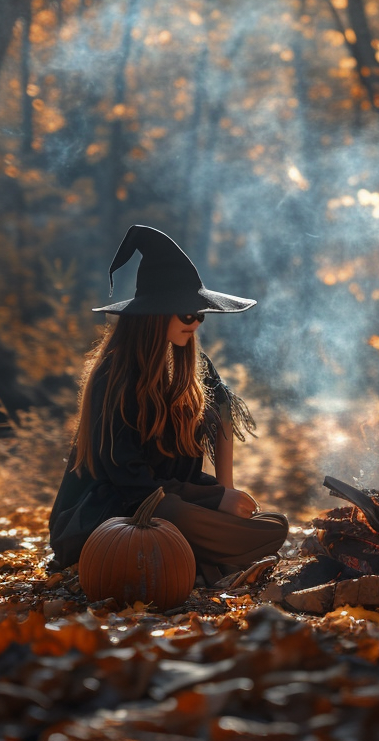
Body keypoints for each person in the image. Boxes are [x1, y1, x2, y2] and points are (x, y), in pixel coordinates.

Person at [47, 225, 288, 583]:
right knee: (172, 511)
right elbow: (130, 482)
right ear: (156, 314)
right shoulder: (113, 377)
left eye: (201, 314)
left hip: (171, 497)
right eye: (188, 313)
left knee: (275, 525)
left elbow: (223, 410)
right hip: (107, 514)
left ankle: (203, 556)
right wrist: (214, 502)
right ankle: (207, 559)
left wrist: (226, 489)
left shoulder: (193, 365)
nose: (196, 323)